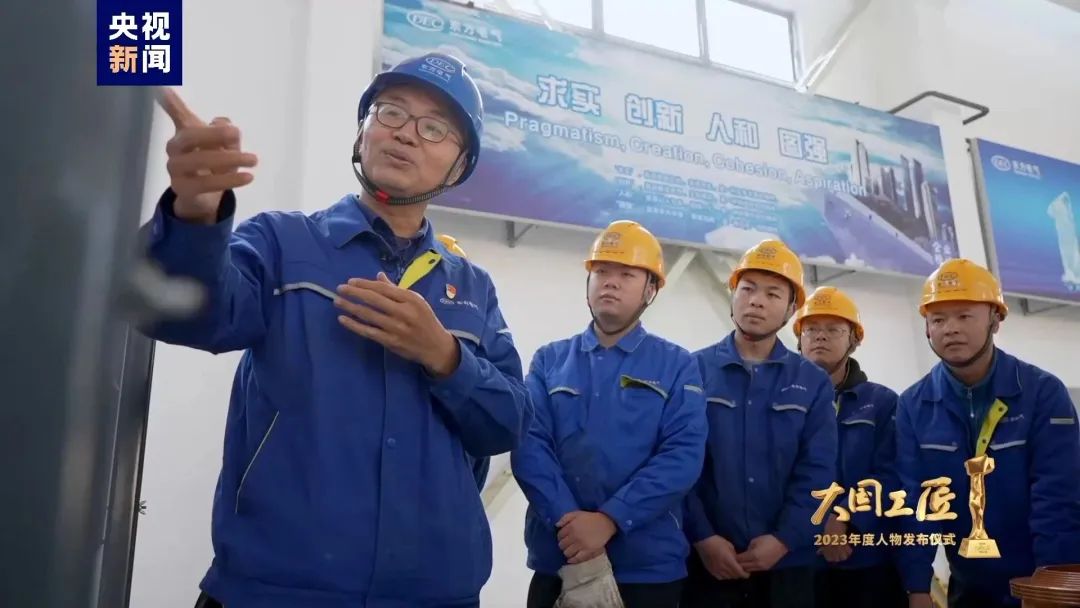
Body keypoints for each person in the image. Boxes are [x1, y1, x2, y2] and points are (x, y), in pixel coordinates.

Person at [144, 52, 532, 608]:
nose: (406, 134)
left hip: (433, 595)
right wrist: (196, 215)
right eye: (390, 112)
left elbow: (508, 423)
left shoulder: (472, 287)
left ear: (459, 166)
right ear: (362, 132)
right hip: (275, 592)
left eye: (435, 128)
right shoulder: (282, 244)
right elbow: (185, 313)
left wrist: (445, 356)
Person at [511, 220, 708, 608]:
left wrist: (611, 519)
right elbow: (529, 445)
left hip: (645, 566)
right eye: (601, 272)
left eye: (626, 274)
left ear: (650, 290)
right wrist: (570, 522)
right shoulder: (550, 360)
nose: (610, 283)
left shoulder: (678, 365)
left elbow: (682, 456)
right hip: (559, 558)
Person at [895, 258, 1080, 608]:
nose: (950, 329)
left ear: (995, 319)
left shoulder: (1042, 393)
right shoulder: (913, 406)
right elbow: (915, 504)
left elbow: (1058, 498)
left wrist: (1050, 587)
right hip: (968, 587)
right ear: (927, 329)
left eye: (964, 316)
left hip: (1038, 579)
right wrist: (917, 586)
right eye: (938, 319)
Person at [681, 239, 838, 608]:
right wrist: (703, 537)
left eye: (772, 293)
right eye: (748, 289)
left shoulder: (813, 382)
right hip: (707, 564)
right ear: (733, 295)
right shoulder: (692, 370)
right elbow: (679, 462)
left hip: (789, 565)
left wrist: (784, 539)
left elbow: (818, 472)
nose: (756, 301)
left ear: (792, 308)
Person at [792, 286, 906, 608]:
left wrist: (843, 516)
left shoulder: (882, 403)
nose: (820, 336)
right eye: (811, 329)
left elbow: (891, 475)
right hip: (796, 558)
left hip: (868, 562)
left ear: (854, 340)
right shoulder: (781, 403)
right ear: (798, 340)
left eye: (833, 329)